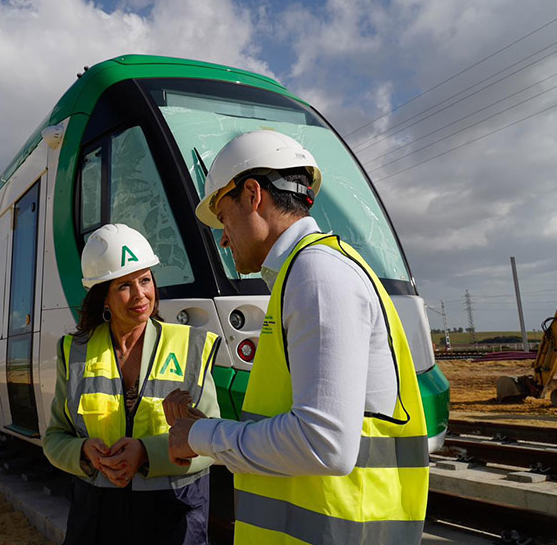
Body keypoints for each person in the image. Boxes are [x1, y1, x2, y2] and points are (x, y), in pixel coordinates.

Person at [167, 131, 429, 544]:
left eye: (223, 215)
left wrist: (199, 437)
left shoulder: (316, 274)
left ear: (252, 195)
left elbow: (322, 442)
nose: (222, 236)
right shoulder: (307, 273)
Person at [42, 223, 221, 545]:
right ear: (104, 297)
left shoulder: (192, 346)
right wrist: (83, 451)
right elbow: (55, 437)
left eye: (145, 280)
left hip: (174, 517)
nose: (141, 295)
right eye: (124, 285)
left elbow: (213, 441)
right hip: (97, 519)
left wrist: (147, 453)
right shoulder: (74, 352)